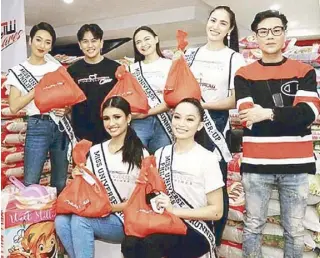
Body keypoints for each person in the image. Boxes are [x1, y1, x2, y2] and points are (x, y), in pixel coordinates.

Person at [235, 10, 318, 258]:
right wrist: (288, 116)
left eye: (276, 30)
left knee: (294, 229)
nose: (269, 36)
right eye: (263, 31)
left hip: (297, 165)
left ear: (284, 34)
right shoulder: (244, 74)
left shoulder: (304, 72)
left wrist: (269, 114)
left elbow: (308, 113)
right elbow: (248, 117)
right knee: (253, 226)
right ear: (255, 37)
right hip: (256, 164)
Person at [121, 98, 224, 258]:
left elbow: (217, 212)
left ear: (200, 125)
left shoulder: (207, 159)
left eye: (190, 119)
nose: (181, 123)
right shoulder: (161, 154)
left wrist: (175, 210)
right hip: (164, 221)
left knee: (151, 244)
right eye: (177, 117)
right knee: (130, 243)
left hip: (195, 228)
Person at [55, 96, 148, 258]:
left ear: (128, 118)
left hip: (125, 218)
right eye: (106, 118)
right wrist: (77, 175)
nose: (111, 123)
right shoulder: (96, 151)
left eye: (117, 117)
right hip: (98, 212)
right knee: (61, 221)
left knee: (80, 220)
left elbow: (142, 201)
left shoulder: (141, 154)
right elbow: (88, 189)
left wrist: (109, 208)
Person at [183, 5, 246, 245]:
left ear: (230, 29)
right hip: (189, 124)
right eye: (213, 20)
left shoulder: (233, 58)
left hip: (215, 126)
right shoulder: (192, 54)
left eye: (222, 23)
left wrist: (204, 107)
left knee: (214, 186)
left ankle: (214, 240)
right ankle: (191, 237)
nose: (215, 26)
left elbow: (234, 99)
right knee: (188, 181)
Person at [5, 22, 69, 194]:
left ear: (51, 46)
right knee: (31, 181)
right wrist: (37, 90)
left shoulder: (57, 68)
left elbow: (68, 99)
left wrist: (66, 110)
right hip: (37, 125)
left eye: (47, 42)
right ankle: (33, 219)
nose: (42, 45)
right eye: (39, 40)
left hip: (60, 126)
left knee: (60, 180)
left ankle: (58, 220)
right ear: (30, 41)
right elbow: (14, 106)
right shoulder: (18, 71)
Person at [68, 24, 120, 145]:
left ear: (101, 43)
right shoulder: (72, 70)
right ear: (80, 45)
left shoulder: (115, 68)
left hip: (111, 133)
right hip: (81, 135)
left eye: (94, 41)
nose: (90, 45)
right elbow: (68, 103)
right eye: (85, 41)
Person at [129, 26, 173, 154]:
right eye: (138, 42)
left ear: (156, 39)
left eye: (147, 39)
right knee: (136, 160)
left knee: (162, 161)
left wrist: (147, 112)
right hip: (139, 122)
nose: (143, 44)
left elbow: (174, 97)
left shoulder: (170, 65)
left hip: (165, 120)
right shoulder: (132, 69)